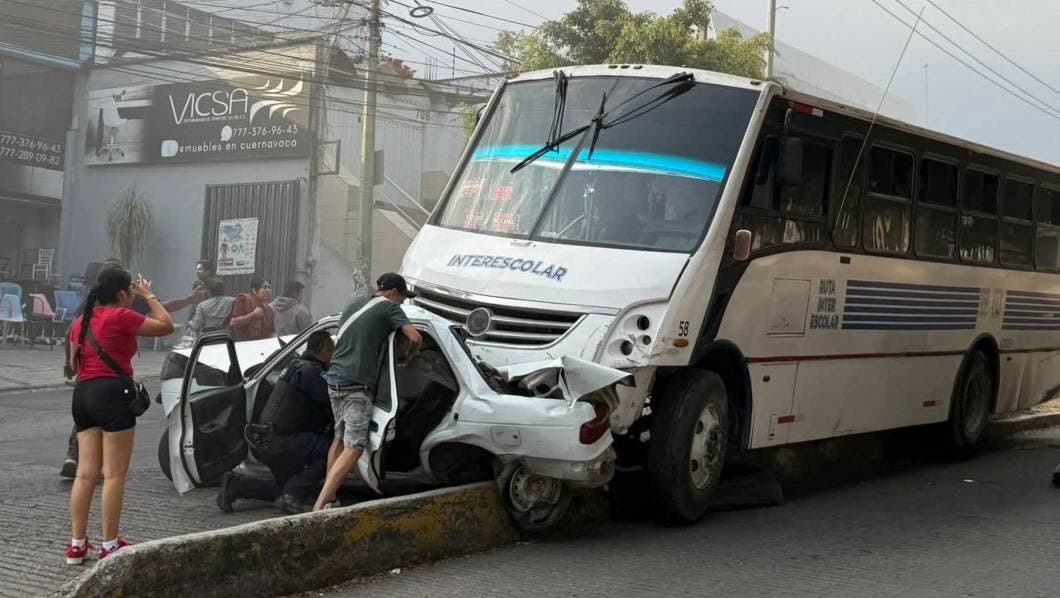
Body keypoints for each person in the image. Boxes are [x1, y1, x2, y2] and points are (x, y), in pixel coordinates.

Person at [65, 267, 174, 564]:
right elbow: (166, 325)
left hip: (83, 395)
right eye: (131, 291)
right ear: (122, 293)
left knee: (85, 473)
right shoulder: (121, 316)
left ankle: (76, 545)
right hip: (112, 394)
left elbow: (72, 363)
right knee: (113, 474)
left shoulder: (80, 320)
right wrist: (149, 295)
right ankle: (109, 544)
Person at [312, 273, 422, 511]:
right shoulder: (390, 308)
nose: (402, 302)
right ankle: (319, 505)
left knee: (339, 439)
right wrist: (408, 357)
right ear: (393, 292)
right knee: (354, 447)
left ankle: (331, 497)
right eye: (402, 298)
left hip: (335, 379)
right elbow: (415, 337)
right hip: (356, 384)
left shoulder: (355, 303)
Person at [216, 330, 335, 514]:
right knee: (332, 451)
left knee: (284, 488)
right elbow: (335, 401)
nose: (335, 358)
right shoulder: (311, 373)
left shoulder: (296, 366)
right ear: (325, 350)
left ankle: (236, 486)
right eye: (334, 352)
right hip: (282, 443)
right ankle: (291, 497)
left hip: (268, 442)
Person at [225, 276, 274, 341]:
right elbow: (233, 322)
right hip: (243, 344)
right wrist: (253, 315)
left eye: (269, 287)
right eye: (264, 287)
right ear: (254, 290)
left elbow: (272, 332)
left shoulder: (269, 310)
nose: (268, 290)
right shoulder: (244, 301)